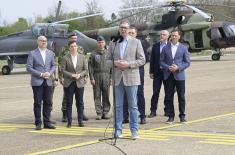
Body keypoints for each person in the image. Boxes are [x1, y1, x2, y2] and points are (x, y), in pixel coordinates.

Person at [108, 21, 146, 139]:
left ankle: (134, 130)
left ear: (129, 29)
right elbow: (107, 60)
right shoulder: (113, 43)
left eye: (125, 28)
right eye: (121, 28)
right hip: (118, 78)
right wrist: (115, 63)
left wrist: (128, 64)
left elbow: (142, 60)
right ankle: (118, 130)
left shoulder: (136, 42)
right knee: (118, 106)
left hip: (131, 78)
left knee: (133, 106)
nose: (123, 29)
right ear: (119, 29)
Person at [160, 30, 190, 124]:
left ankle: (182, 116)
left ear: (179, 37)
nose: (173, 37)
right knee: (169, 96)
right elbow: (161, 61)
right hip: (168, 75)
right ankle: (170, 116)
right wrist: (167, 67)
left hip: (179, 76)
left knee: (181, 96)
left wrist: (178, 67)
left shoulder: (183, 48)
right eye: (172, 35)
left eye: (175, 35)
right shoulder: (165, 48)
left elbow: (187, 62)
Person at [26, 35, 56, 130]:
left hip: (48, 81)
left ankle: (47, 122)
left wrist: (49, 73)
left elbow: (54, 65)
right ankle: (38, 123)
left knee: (48, 102)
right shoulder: (32, 53)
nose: (44, 42)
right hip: (37, 81)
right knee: (38, 103)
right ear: (38, 42)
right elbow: (29, 68)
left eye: (45, 41)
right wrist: (41, 74)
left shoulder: (51, 53)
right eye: (42, 41)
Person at [58, 32, 88, 122]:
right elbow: (60, 64)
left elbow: (84, 64)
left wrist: (85, 76)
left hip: (79, 79)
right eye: (73, 38)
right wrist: (60, 77)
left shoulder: (81, 49)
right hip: (68, 78)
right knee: (66, 97)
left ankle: (81, 114)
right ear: (69, 39)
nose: (74, 40)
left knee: (80, 99)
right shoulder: (63, 49)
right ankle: (65, 114)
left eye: (75, 38)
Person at [123, 26, 148, 124]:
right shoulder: (123, 43)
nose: (131, 35)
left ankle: (142, 116)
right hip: (125, 72)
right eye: (129, 33)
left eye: (132, 33)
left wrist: (133, 65)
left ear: (136, 34)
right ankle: (125, 116)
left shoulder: (140, 43)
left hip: (138, 72)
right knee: (125, 94)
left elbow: (145, 58)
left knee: (139, 93)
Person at [88, 36, 112, 120]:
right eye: (99, 42)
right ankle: (99, 112)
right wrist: (91, 78)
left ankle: (106, 112)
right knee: (97, 95)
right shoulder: (93, 54)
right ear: (97, 43)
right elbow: (90, 66)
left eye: (102, 42)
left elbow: (112, 66)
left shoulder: (109, 53)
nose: (100, 44)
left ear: (104, 43)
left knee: (106, 94)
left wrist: (111, 77)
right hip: (96, 76)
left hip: (106, 76)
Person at [148, 30, 170, 118]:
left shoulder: (170, 46)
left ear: (168, 36)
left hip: (167, 73)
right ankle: (153, 111)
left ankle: (167, 110)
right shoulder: (155, 46)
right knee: (155, 92)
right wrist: (151, 71)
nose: (161, 36)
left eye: (164, 34)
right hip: (157, 73)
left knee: (168, 92)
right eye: (160, 34)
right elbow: (152, 59)